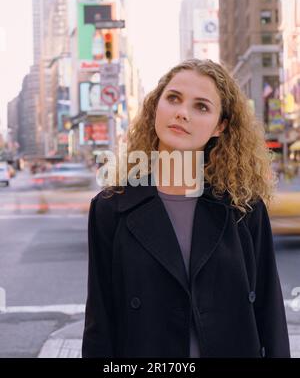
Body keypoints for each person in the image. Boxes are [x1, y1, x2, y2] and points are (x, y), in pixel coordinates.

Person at [82, 59, 290, 358]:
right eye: (174, 98)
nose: (182, 112)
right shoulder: (111, 208)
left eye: (201, 107)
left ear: (221, 126)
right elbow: (100, 320)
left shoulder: (244, 206)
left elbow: (269, 309)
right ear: (156, 106)